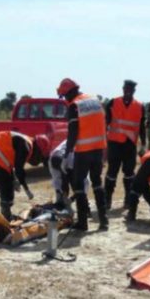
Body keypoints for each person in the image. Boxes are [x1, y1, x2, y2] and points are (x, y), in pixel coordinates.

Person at [57, 78, 108, 231]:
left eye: (65, 96)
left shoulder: (75, 106)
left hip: (84, 151)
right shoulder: (95, 100)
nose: (65, 99)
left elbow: (73, 132)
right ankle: (104, 220)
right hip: (98, 149)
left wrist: (66, 155)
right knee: (97, 184)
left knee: (78, 185)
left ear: (69, 92)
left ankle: (83, 223)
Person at [0, 131, 49, 220]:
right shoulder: (26, 147)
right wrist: (24, 186)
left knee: (7, 180)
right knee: (6, 183)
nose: (38, 160)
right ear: (38, 149)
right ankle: (6, 215)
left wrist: (14, 179)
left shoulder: (27, 143)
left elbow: (14, 166)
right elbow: (19, 169)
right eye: (39, 156)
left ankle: (6, 213)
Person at [104, 80, 146, 210]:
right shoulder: (113, 102)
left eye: (130, 90)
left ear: (134, 91)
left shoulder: (140, 106)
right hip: (114, 144)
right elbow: (105, 123)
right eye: (126, 89)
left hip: (130, 145)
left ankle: (128, 199)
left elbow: (142, 127)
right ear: (122, 89)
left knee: (129, 174)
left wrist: (143, 144)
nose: (127, 91)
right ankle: (107, 199)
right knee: (112, 172)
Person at [48, 139, 90, 208]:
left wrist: (72, 199)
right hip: (58, 159)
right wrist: (61, 195)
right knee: (63, 182)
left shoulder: (75, 160)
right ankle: (61, 202)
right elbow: (57, 180)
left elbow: (85, 183)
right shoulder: (52, 160)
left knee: (77, 184)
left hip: (69, 160)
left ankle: (84, 206)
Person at [126, 148, 150, 221]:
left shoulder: (147, 159)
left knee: (135, 187)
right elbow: (146, 188)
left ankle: (132, 213)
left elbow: (145, 187)